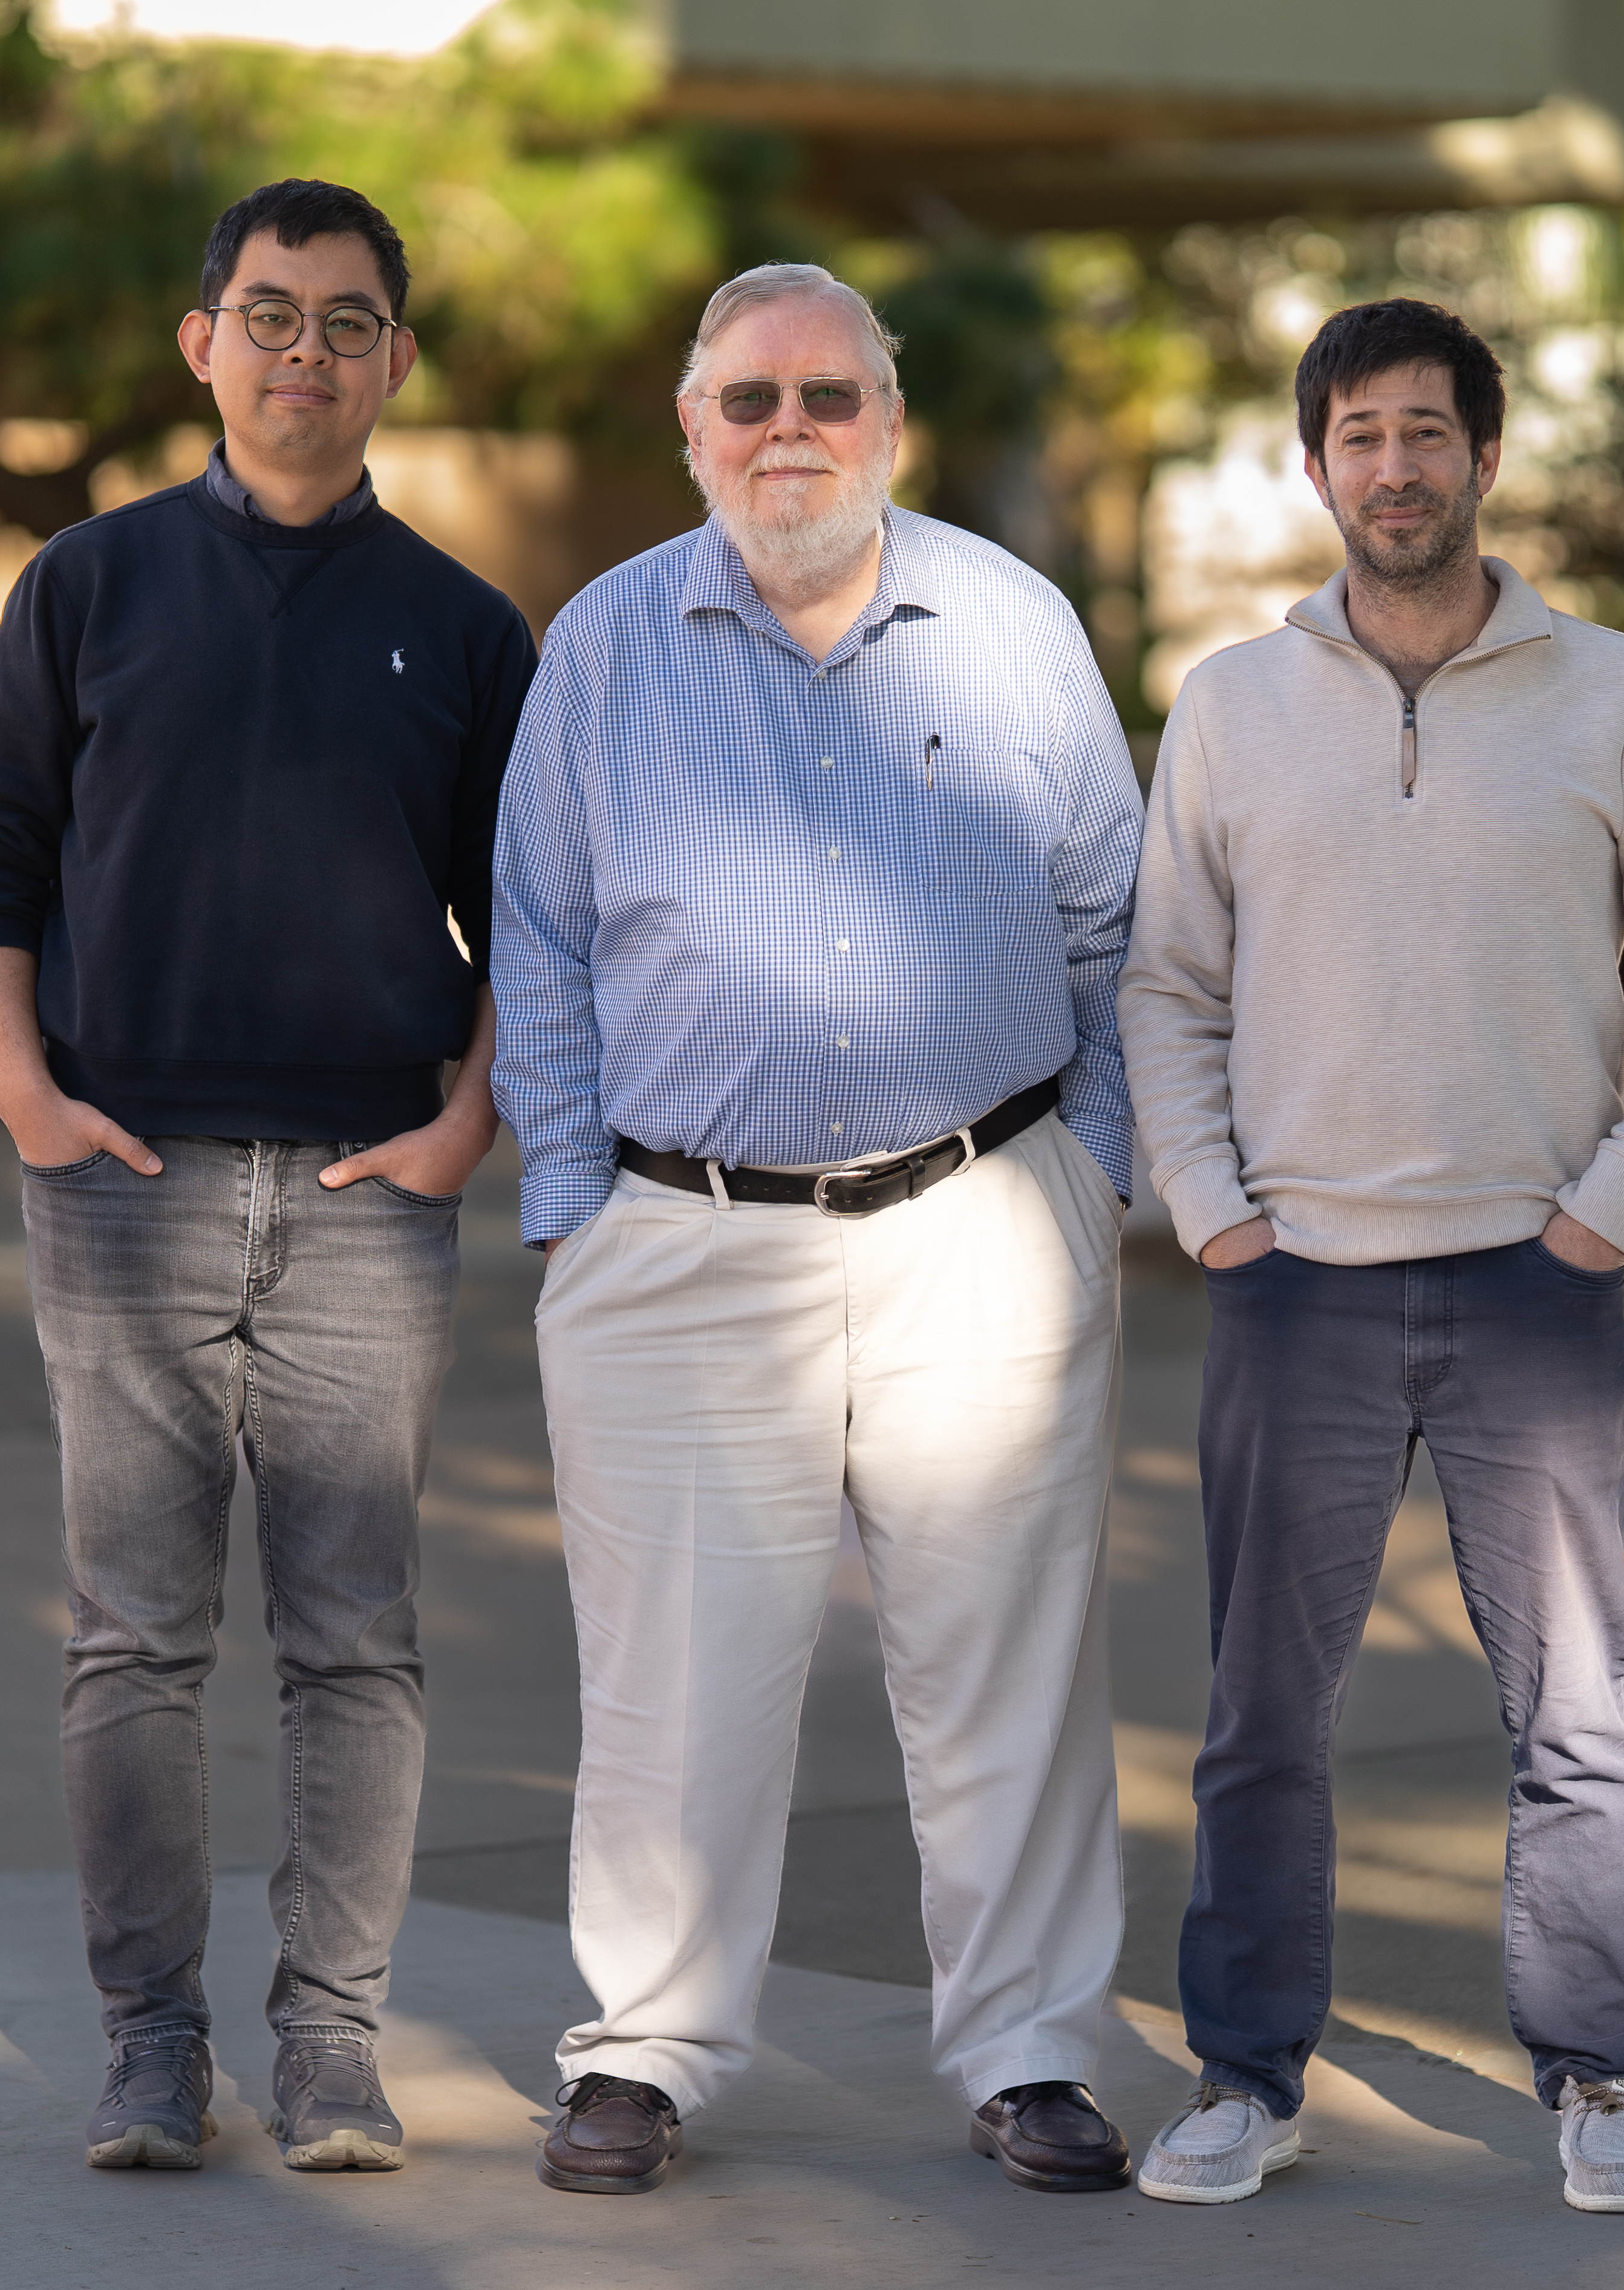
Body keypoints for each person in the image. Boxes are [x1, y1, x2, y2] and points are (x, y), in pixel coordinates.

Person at [488, 263, 1144, 2199]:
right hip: (680, 1243)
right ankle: (647, 2054)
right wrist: (572, 1211)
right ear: (692, 431)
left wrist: (1085, 1178)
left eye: (830, 398)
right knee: (676, 1678)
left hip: (985, 1228)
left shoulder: (1016, 628)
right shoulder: (604, 646)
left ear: (892, 425)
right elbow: (535, 936)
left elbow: (1119, 924)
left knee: (1006, 1666)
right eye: (752, 398)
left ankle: (1030, 2054)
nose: (792, 431)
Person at [1118, 298, 1624, 2216]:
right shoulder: (1232, 704)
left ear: (1488, 458)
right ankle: (1245, 2073)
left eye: (1427, 433)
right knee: (1260, 1713)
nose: (1393, 467)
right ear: (1312, 467)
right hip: (1292, 1281)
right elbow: (1165, 987)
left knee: (1576, 1707)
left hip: (1535, 1289)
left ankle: (1604, 2075)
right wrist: (1219, 1209)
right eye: (1358, 436)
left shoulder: (1617, 695)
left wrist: (1604, 1212)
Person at [0, 178, 536, 2177]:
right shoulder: (88, 585)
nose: (305, 352)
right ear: (203, 343)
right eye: (269, 315)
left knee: (357, 1641)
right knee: (137, 1638)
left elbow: (531, 916)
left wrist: (470, 1119)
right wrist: (22, 1085)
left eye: (348, 323)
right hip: (121, 1176)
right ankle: (150, 2049)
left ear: (395, 363)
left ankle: (336, 2052)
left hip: (372, 1191)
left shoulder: (459, 627)